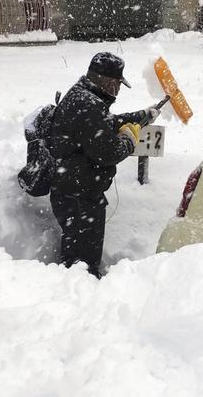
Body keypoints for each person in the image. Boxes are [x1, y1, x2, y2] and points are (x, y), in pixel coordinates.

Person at [48, 52, 160, 278]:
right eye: (118, 85)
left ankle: (76, 288)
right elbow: (109, 152)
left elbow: (107, 123)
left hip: (74, 191)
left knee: (77, 256)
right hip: (79, 197)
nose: (118, 91)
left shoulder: (85, 97)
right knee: (82, 264)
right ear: (108, 82)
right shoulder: (88, 105)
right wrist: (129, 139)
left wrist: (142, 116)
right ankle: (81, 296)